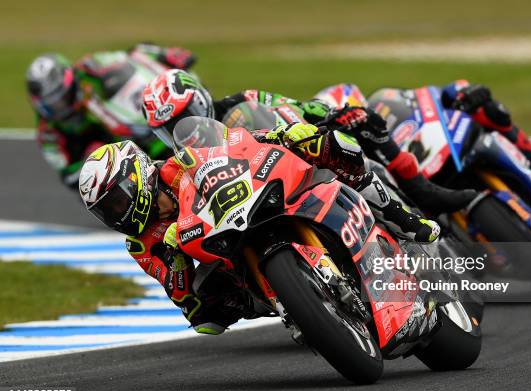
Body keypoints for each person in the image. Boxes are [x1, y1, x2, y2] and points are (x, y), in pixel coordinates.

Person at [78, 116, 440, 334]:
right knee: (209, 309)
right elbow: (186, 301)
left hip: (254, 201)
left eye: (117, 201)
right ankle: (299, 305)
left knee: (323, 142)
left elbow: (235, 147)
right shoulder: (142, 243)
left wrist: (277, 137)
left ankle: (396, 213)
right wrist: (176, 263)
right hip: (227, 256)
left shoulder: (179, 163)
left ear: (136, 176)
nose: (117, 215)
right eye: (106, 212)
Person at [142, 69, 477, 215]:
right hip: (257, 198)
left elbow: (297, 108)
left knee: (364, 121)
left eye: (179, 120)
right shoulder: (185, 161)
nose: (178, 133)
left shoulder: (243, 101)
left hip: (296, 158)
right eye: (166, 129)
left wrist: (333, 115)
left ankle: (420, 189)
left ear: (200, 103)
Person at [26, 44, 196, 190]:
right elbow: (68, 176)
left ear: (70, 81)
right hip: (108, 157)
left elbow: (131, 55)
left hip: (129, 123)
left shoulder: (88, 67)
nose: (62, 106)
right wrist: (91, 161)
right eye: (54, 104)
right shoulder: (48, 133)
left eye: (63, 97)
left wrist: (163, 54)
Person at [439, 81, 531, 207]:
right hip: (429, 173)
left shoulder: (421, 96)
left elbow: (451, 89)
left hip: (455, 142)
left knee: (491, 110)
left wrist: (465, 91)